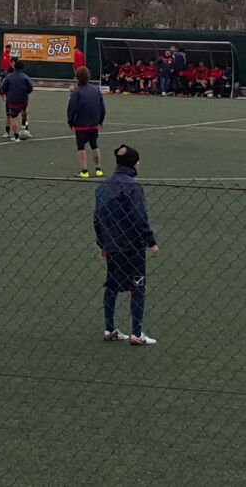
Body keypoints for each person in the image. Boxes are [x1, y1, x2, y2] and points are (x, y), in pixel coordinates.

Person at [93, 144, 160, 346]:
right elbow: (139, 217)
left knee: (111, 286)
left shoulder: (103, 186)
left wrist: (103, 244)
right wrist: (151, 242)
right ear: (133, 163)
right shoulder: (132, 187)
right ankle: (137, 333)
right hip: (132, 246)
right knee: (138, 286)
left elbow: (97, 219)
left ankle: (109, 328)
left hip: (112, 245)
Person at [67, 66, 106, 178]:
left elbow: (71, 108)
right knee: (94, 144)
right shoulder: (96, 90)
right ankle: (98, 168)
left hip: (81, 124)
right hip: (94, 123)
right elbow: (102, 107)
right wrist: (100, 121)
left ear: (77, 78)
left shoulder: (76, 92)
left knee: (80, 146)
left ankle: (84, 171)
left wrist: (71, 122)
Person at [0, 60, 34, 141]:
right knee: (24, 110)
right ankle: (24, 124)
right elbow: (30, 88)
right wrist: (25, 93)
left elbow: (3, 89)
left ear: (14, 67)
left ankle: (16, 137)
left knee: (13, 118)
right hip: (23, 99)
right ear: (23, 68)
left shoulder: (8, 77)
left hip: (13, 101)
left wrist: (6, 94)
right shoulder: (25, 77)